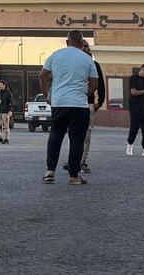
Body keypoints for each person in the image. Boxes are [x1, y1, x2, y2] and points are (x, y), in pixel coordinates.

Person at [39, 31, 99, 184]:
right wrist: (85, 93)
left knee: (55, 135)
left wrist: (47, 95)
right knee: (77, 140)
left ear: (67, 42)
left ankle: (50, 171)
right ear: (81, 43)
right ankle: (73, 176)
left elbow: (42, 75)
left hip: (59, 103)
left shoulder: (55, 55)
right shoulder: (87, 59)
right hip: (79, 105)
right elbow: (94, 83)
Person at [79, 38, 105, 173]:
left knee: (86, 135)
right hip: (73, 104)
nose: (84, 48)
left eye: (86, 46)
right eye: (81, 46)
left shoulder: (94, 65)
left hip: (88, 104)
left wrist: (99, 103)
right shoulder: (72, 64)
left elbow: (100, 85)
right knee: (74, 134)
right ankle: (74, 160)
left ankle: (82, 162)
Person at [126, 63, 144, 157]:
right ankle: (130, 144)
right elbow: (133, 92)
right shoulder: (133, 78)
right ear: (142, 69)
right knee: (134, 127)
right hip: (135, 105)